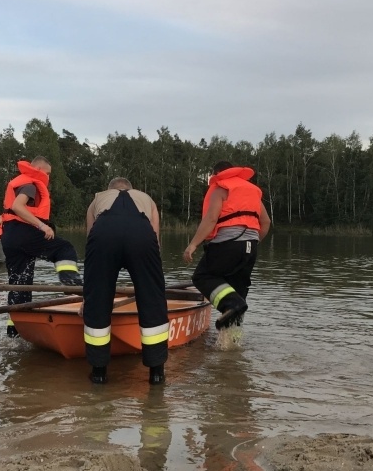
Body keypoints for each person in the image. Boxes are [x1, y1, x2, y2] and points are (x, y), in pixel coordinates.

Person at [82, 177, 168, 385]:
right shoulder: (147, 200)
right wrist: (152, 281)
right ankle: (156, 373)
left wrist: (89, 296)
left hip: (104, 234)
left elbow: (90, 239)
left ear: (109, 190)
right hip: (142, 235)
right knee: (152, 298)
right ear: (131, 189)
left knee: (98, 298)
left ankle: (99, 373)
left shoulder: (97, 200)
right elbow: (155, 240)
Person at [0, 156, 83, 338]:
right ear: (37, 169)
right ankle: (70, 282)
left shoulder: (19, 181)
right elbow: (17, 206)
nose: (48, 177)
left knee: (19, 284)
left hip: (9, 237)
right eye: (47, 173)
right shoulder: (30, 184)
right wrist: (42, 226)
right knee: (64, 248)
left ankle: (14, 333)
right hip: (24, 233)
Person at [183, 161, 271, 329]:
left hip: (227, 244)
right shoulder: (251, 191)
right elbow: (266, 222)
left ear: (217, 174)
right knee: (237, 291)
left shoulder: (221, 188)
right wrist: (252, 242)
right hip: (251, 247)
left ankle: (232, 303)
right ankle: (233, 340)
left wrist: (193, 245)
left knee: (203, 277)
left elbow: (211, 219)